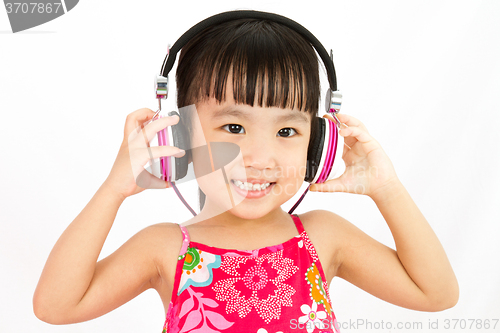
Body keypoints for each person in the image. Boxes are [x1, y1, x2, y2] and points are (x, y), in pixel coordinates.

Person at [33, 12, 459, 333]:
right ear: (181, 131)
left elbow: (436, 294)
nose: (261, 157)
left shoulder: (324, 238)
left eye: (287, 130)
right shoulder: (166, 248)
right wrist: (113, 190)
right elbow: (56, 306)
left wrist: (386, 188)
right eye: (233, 127)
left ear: (317, 144)